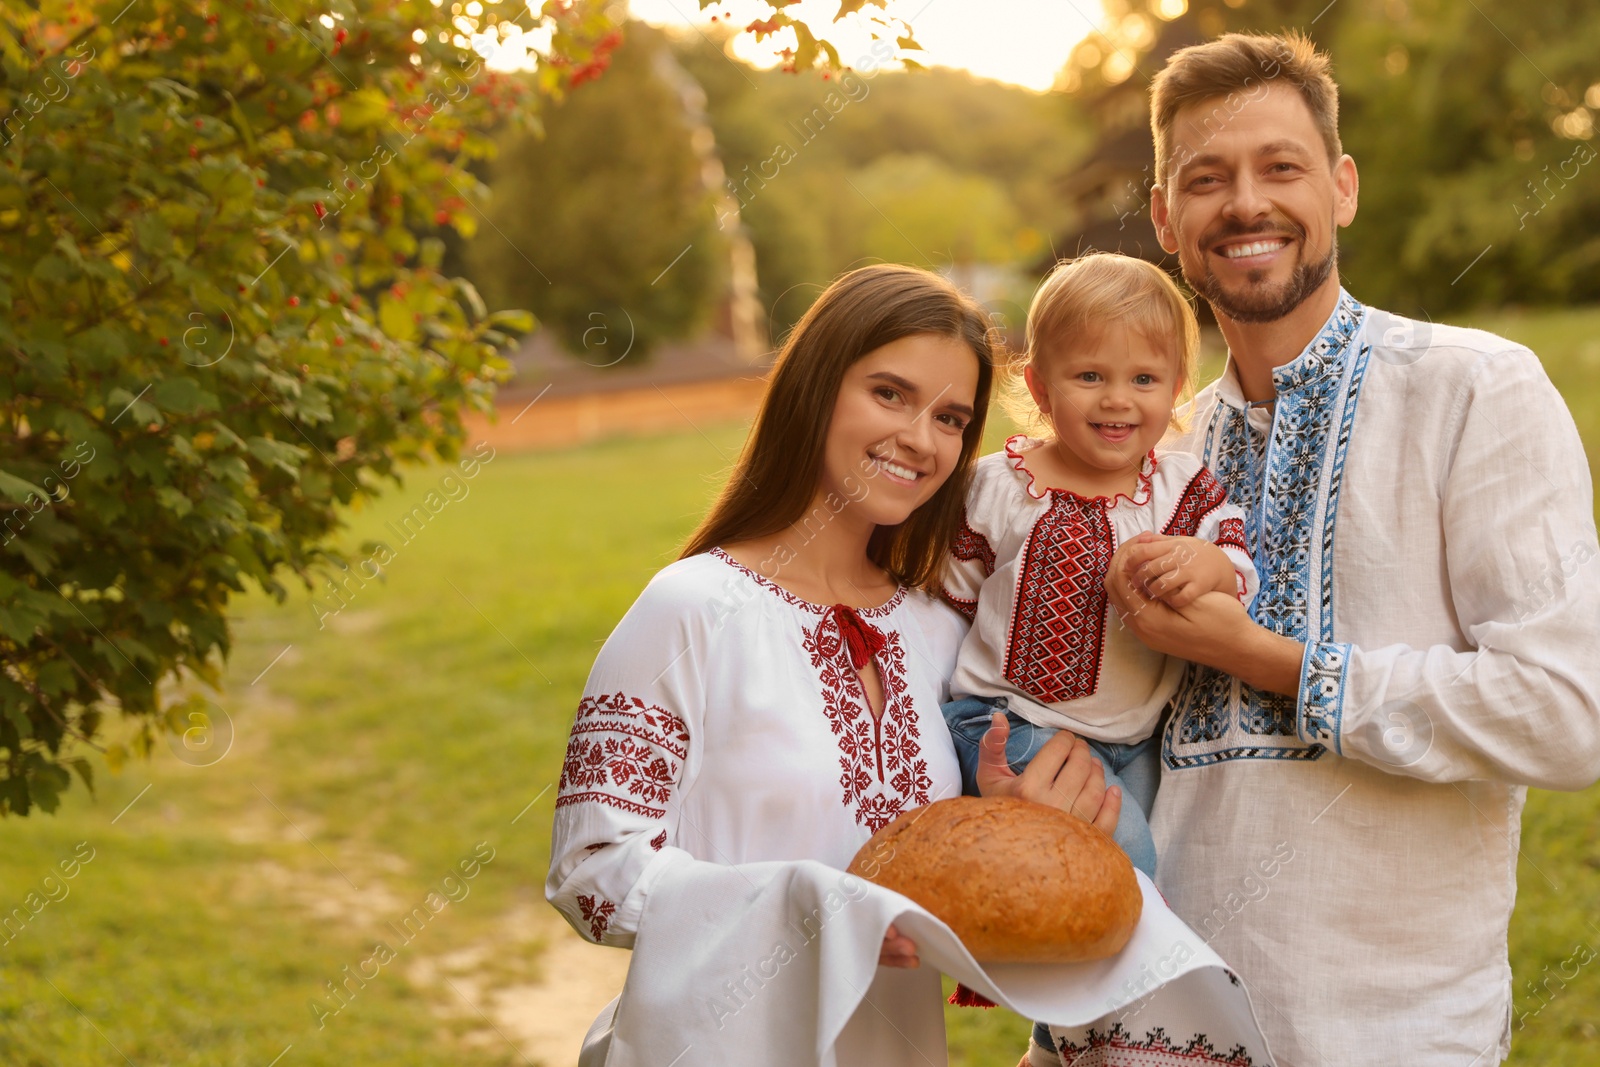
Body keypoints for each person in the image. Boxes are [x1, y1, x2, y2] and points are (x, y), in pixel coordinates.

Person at [1083, 30, 1600, 1067]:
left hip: (1392, 1031)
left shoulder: (1469, 390)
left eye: (1280, 167)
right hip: (1152, 1032)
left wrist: (1265, 656)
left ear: (1342, 187)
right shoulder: (1155, 449)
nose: (1244, 204)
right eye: (1204, 178)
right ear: (1162, 217)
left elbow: (1567, 711)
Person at [545, 263, 1121, 1062]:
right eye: (889, 393)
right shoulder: (691, 609)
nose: (921, 439)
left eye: (952, 418)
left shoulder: (941, 630)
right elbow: (592, 872)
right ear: (815, 387)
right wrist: (816, 911)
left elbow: (946, 893)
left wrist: (1005, 819)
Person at [940, 252, 1259, 884]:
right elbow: (950, 596)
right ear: (1039, 388)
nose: (1117, 399)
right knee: (1126, 860)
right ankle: (1146, 971)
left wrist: (1209, 567)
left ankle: (1073, 968)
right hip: (1013, 722)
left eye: (1144, 379)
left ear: (1175, 391)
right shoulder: (998, 486)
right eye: (1089, 375)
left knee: (1113, 863)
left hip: (1134, 734)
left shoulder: (1181, 488)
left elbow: (1237, 563)